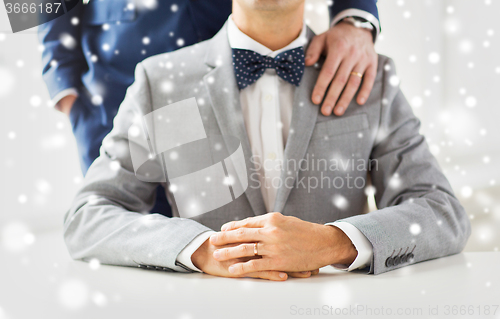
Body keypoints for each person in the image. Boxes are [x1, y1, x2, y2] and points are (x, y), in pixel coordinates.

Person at [63, 0, 471, 281]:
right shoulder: (166, 85)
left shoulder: (368, 78)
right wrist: (202, 249)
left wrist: (336, 243)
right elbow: (89, 216)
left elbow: (442, 212)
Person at [38, 0, 380, 217]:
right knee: (130, 241)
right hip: (115, 79)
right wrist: (61, 81)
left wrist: (356, 17)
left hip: (239, 60)